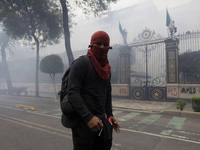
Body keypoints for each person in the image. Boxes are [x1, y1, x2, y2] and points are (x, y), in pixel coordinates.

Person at [67, 30, 121, 150]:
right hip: (84, 123)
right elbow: (72, 92)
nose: (102, 47)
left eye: (105, 45)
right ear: (91, 45)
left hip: (102, 122)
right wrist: (88, 117)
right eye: (99, 44)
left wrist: (110, 116)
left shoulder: (107, 68)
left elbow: (107, 94)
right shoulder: (81, 63)